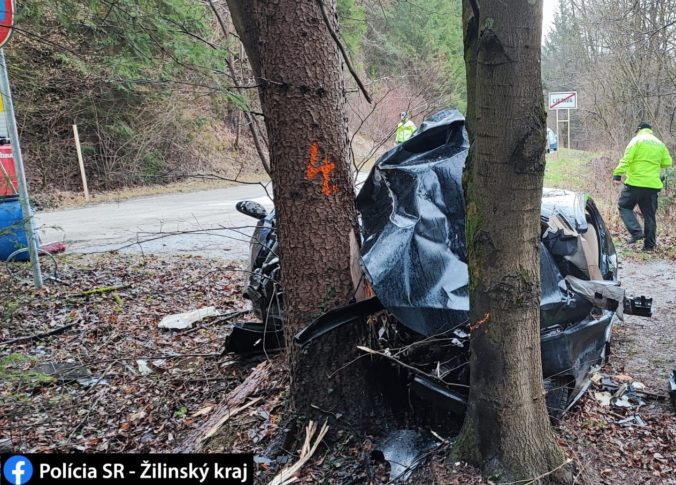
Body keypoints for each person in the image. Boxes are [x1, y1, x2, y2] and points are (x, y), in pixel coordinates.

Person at [613, 121, 672, 251]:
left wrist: (617, 175)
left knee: (624, 205)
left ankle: (636, 231)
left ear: (639, 129)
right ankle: (649, 246)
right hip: (652, 186)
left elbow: (626, 159)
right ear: (650, 130)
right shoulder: (659, 144)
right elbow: (667, 162)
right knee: (649, 215)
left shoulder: (636, 141)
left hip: (635, 183)